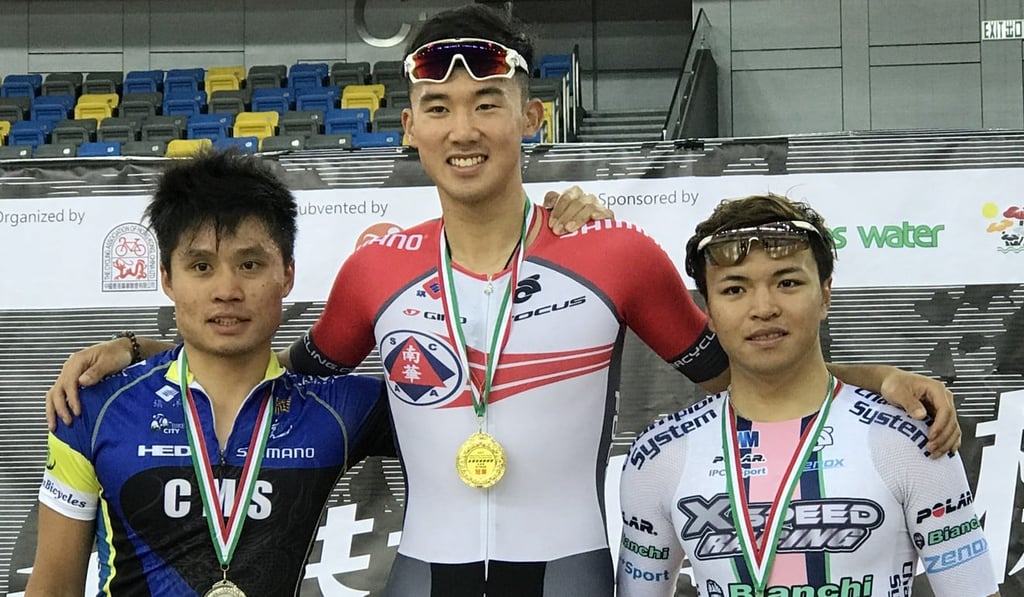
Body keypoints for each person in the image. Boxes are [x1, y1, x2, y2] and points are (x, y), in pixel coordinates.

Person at [46, 5, 961, 596]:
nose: (463, 128)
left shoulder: (614, 252)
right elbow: (269, 384)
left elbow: (750, 374)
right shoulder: (378, 270)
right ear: (408, 128)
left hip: (570, 568)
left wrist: (872, 373)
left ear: (531, 116)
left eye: (489, 102)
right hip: (422, 571)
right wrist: (135, 349)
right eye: (438, 108)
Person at [26, 150, 394, 596]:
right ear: (166, 278)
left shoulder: (340, 409)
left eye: (250, 265)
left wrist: (135, 346)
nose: (227, 291)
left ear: (288, 275)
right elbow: (52, 589)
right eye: (201, 267)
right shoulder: (94, 407)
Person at [617, 193, 998, 597]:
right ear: (708, 311)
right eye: (734, 289)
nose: (763, 307)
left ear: (826, 295)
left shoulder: (910, 437)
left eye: (787, 282)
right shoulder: (658, 454)